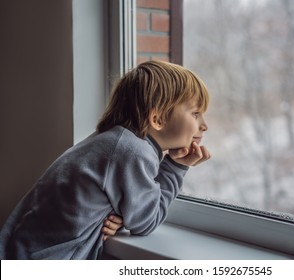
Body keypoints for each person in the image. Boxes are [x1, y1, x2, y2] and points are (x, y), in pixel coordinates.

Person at [0, 60, 210, 259]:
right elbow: (147, 222)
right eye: (195, 114)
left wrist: (123, 215)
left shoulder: (113, 141)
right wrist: (175, 167)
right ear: (157, 119)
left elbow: (98, 199)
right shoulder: (133, 152)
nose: (204, 125)